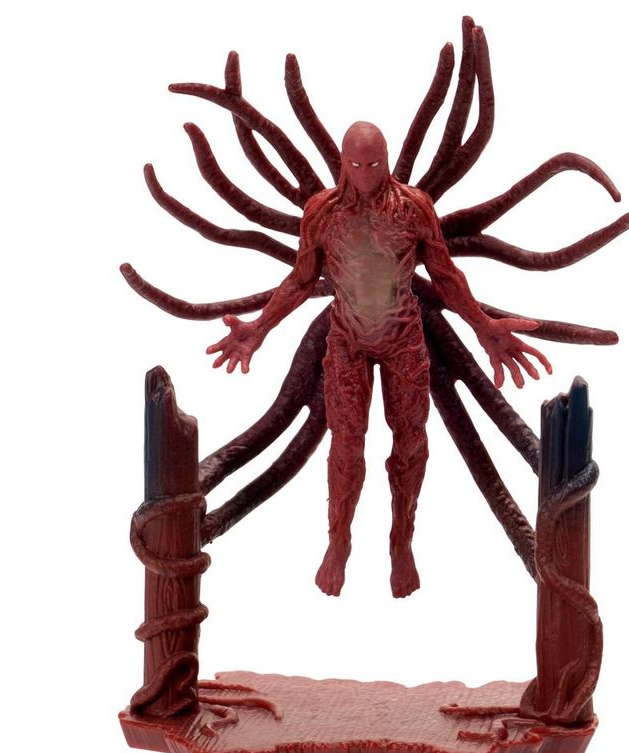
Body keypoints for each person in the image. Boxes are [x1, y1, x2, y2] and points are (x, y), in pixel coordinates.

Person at [207, 121, 550, 597]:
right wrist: (259, 329)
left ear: (386, 160)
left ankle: (401, 541)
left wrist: (482, 326)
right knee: (346, 446)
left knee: (411, 442)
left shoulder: (413, 207)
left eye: (374, 163)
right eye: (356, 164)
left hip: (403, 336)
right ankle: (338, 541)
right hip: (347, 339)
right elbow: (302, 279)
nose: (366, 174)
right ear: (342, 164)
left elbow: (445, 275)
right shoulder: (322, 212)